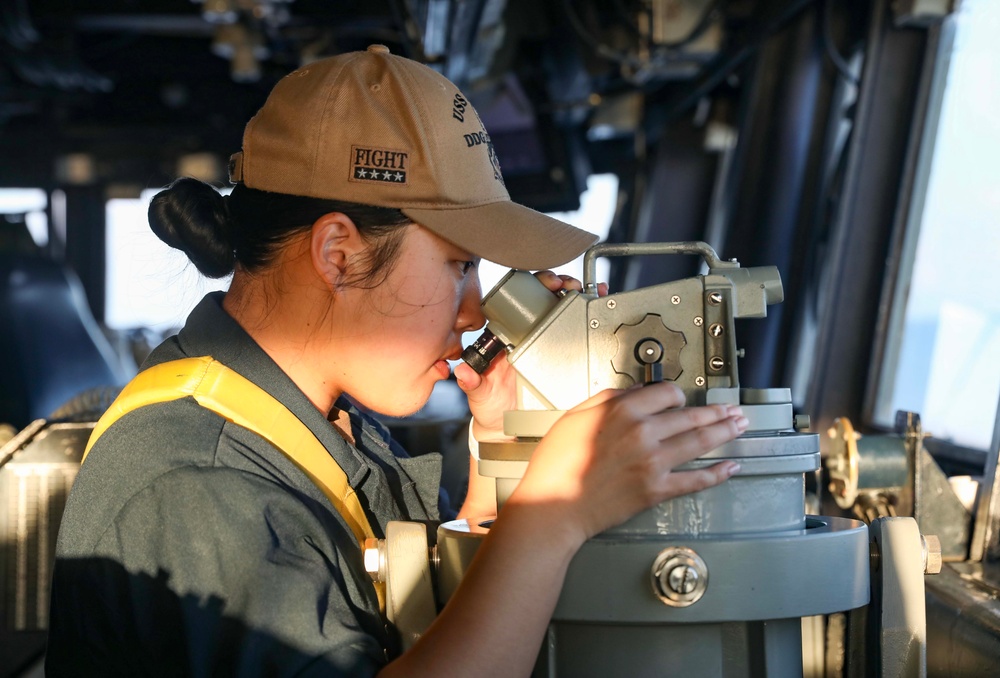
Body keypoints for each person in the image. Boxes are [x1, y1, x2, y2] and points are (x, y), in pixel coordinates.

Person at [46, 45, 747, 676]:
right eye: (456, 266)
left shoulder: (313, 420)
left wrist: (503, 460)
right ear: (338, 254)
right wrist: (552, 517)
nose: (475, 309)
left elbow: (413, 625)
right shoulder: (200, 485)